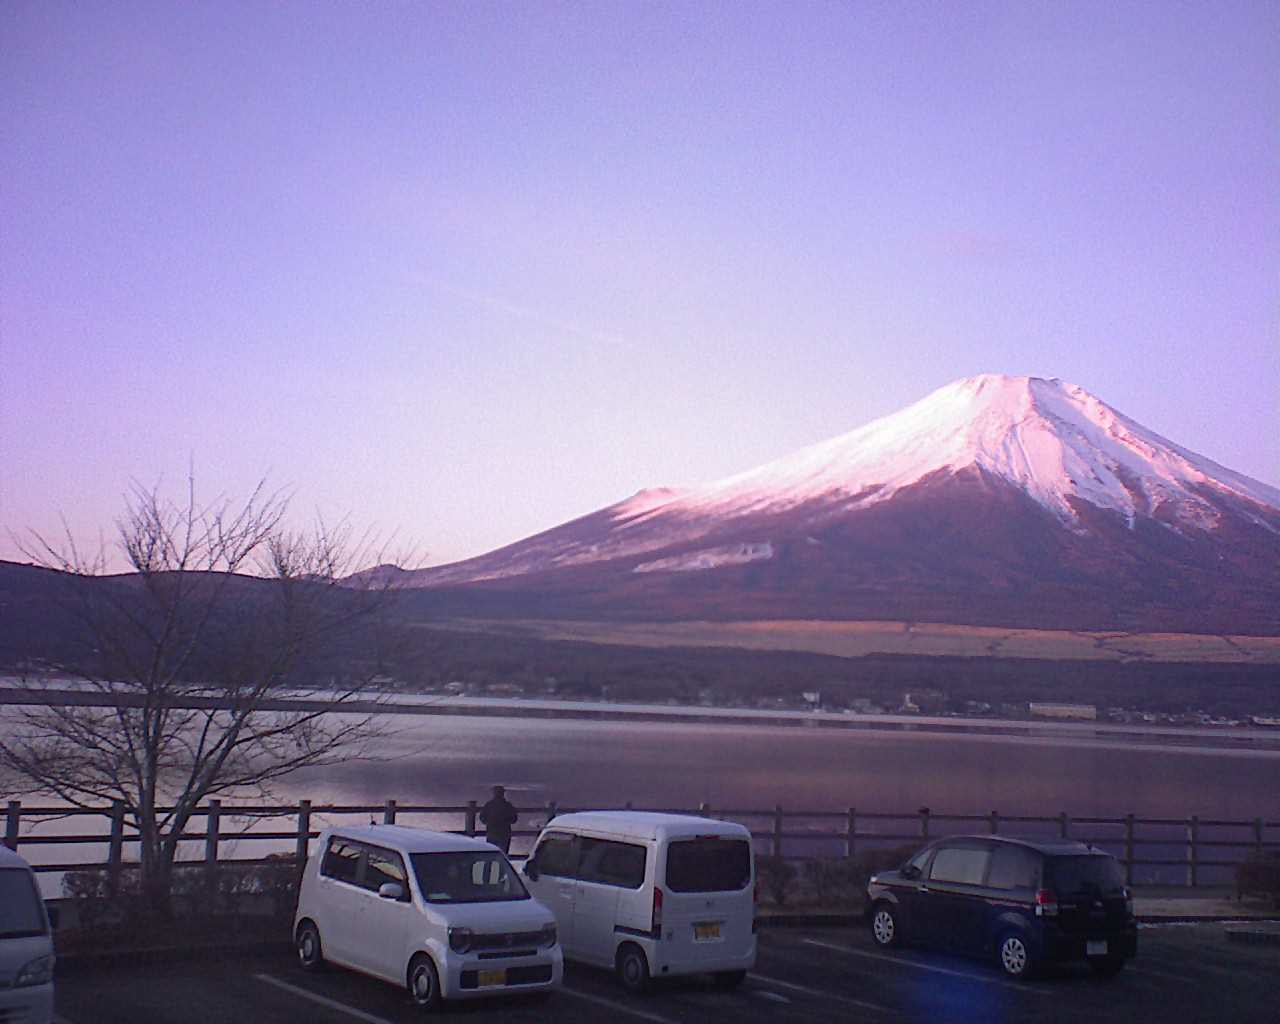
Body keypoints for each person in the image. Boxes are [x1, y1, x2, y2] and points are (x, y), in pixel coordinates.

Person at [479, 785, 518, 853]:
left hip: (492, 832)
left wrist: (490, 821)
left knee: (491, 852)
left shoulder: (489, 805)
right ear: (503, 794)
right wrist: (505, 821)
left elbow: (482, 818)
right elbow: (514, 819)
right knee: (503, 853)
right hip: (504, 833)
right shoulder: (508, 805)